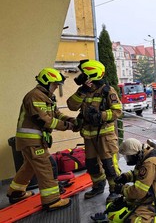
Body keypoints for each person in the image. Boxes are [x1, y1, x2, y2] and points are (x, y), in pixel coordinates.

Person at [7, 68, 75, 211]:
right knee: (46, 168)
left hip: (31, 141)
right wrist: (68, 126)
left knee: (29, 167)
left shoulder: (46, 96)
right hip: (32, 141)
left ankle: (16, 193)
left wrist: (71, 120)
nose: (56, 87)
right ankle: (51, 200)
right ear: (46, 82)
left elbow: (56, 114)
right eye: (55, 84)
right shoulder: (35, 96)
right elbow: (45, 120)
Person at [67, 59, 123, 203]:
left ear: (92, 75)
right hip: (89, 136)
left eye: (84, 74)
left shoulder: (107, 90)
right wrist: (82, 91)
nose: (81, 76)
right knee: (92, 164)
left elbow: (117, 111)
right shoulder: (84, 91)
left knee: (109, 165)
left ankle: (116, 191)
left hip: (105, 135)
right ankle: (98, 186)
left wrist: (100, 116)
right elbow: (71, 106)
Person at [113, 138, 156, 223]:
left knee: (135, 221)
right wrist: (126, 177)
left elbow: (139, 192)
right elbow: (139, 174)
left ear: (135, 154)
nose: (127, 160)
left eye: (128, 156)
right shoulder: (144, 154)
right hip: (150, 193)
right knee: (126, 203)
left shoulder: (149, 164)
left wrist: (123, 189)